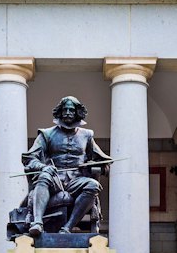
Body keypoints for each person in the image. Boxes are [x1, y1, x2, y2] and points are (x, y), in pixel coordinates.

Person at [13, 96, 111, 238]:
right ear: (59, 112)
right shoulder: (46, 134)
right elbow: (29, 158)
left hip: (76, 181)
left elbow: (103, 163)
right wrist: (43, 167)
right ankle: (37, 223)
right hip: (54, 179)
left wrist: (94, 166)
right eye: (65, 110)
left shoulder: (87, 135)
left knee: (93, 185)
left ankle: (67, 227)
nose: (68, 113)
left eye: (71, 110)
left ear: (77, 113)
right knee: (44, 176)